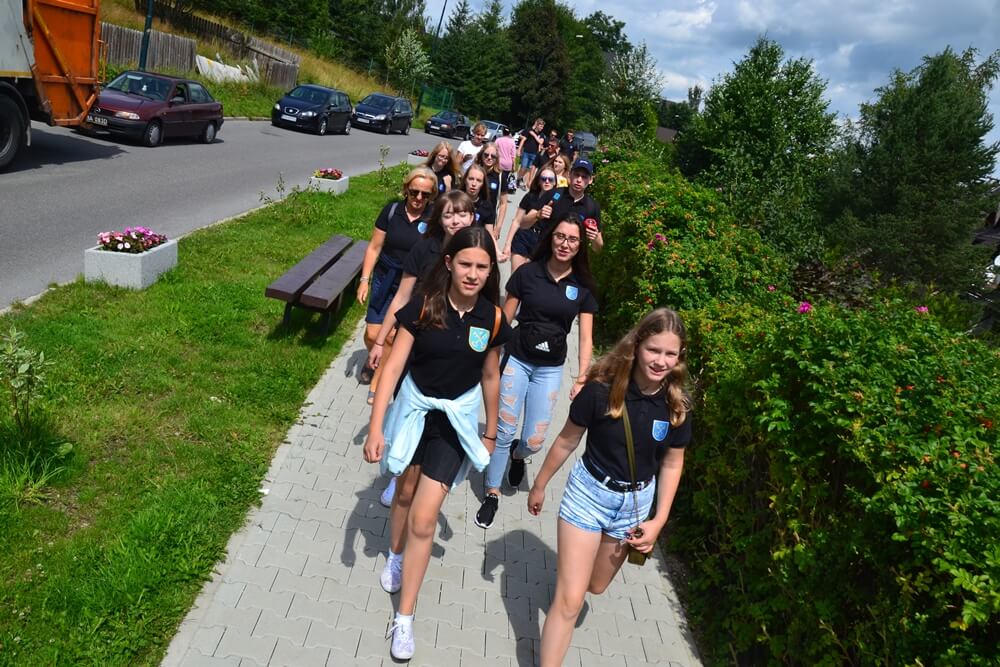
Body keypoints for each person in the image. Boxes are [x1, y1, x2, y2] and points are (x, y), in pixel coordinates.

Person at [363, 226, 511, 661]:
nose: (473, 274)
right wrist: (375, 428)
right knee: (404, 494)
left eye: (482, 267)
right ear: (449, 263)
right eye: (465, 264)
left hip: (453, 425)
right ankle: (395, 553)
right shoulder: (424, 306)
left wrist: (490, 431)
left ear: (491, 270)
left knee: (425, 519)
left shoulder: (492, 318)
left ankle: (404, 617)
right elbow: (392, 369)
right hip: (414, 414)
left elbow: (490, 376)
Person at [527, 308, 692, 667]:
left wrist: (659, 520)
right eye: (653, 350)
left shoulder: (676, 406)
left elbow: (672, 463)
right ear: (637, 345)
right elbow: (566, 440)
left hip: (634, 505)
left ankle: (571, 580)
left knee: (596, 586)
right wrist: (539, 485)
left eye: (669, 353)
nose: (660, 361)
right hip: (588, 495)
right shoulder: (600, 390)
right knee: (570, 601)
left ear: (680, 356)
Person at [475, 217, 598, 528]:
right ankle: (492, 492)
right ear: (550, 237)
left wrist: (582, 376)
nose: (565, 244)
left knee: (534, 440)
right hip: (516, 360)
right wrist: (490, 357)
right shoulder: (527, 273)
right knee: (504, 430)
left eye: (572, 239)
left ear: (580, 245)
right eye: (560, 236)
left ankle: (519, 456)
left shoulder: (583, 286)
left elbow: (586, 337)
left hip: (550, 369)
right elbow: (504, 319)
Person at [368, 190, 477, 505]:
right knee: (406, 409)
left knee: (437, 419)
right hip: (415, 342)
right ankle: (399, 473)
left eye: (462, 213)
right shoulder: (424, 249)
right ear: (439, 219)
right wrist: (380, 341)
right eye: (448, 214)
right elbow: (401, 298)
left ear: (472, 216)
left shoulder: (478, 252)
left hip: (452, 348)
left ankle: (425, 474)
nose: (456, 220)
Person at [356, 167, 437, 401]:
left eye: (425, 194)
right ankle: (374, 354)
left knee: (391, 336)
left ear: (431, 196)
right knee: (372, 333)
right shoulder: (391, 211)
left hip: (411, 284)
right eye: (414, 192)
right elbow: (374, 247)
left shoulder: (433, 218)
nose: (418, 198)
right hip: (385, 278)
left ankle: (377, 384)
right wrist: (364, 280)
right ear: (406, 190)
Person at [511, 157, 604, 267]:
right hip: (543, 258)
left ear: (590, 180)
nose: (579, 180)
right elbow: (523, 224)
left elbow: (598, 248)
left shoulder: (592, 207)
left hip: (569, 265)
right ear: (570, 174)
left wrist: (595, 238)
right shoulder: (553, 194)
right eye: (576, 175)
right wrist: (537, 215)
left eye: (584, 177)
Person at [503, 166, 558, 271]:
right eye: (543, 179)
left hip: (541, 241)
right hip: (523, 236)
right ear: (538, 181)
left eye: (550, 179)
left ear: (555, 182)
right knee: (516, 275)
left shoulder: (557, 201)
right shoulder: (530, 196)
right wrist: (507, 244)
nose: (547, 181)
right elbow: (517, 221)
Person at [475, 145, 509, 245]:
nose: (489, 158)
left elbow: (503, 203)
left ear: (496, 158)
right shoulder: (474, 172)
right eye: (486, 155)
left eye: (493, 156)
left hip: (489, 222)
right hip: (472, 217)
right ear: (481, 155)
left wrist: (498, 226)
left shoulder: (500, 176)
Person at [516, 117, 545, 189]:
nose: (542, 128)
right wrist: (519, 150)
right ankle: (518, 179)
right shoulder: (530, 130)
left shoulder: (541, 134)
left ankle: (525, 184)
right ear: (537, 125)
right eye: (541, 126)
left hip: (534, 154)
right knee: (523, 167)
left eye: (542, 127)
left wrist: (534, 135)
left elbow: (540, 142)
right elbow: (523, 139)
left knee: (529, 169)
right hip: (526, 152)